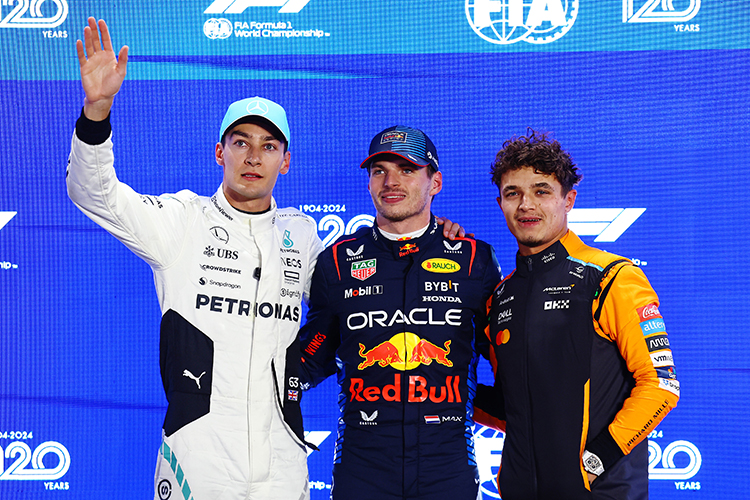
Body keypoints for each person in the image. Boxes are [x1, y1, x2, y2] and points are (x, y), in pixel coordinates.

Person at [67, 18, 324, 499]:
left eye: (268, 146)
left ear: (285, 161)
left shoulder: (301, 235)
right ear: (219, 152)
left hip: (284, 461)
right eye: (240, 142)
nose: (253, 156)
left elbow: (358, 286)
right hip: (197, 456)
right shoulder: (183, 221)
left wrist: (434, 237)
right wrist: (96, 112)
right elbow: (94, 194)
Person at [298, 126, 502, 500]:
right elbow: (311, 357)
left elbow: (509, 361)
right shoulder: (338, 262)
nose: (390, 181)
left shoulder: (475, 259)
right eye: (379, 170)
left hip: (448, 466)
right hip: (363, 466)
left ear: (434, 181)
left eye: (407, 170)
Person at [474, 130, 680, 499]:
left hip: (600, 491)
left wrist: (598, 459)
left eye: (541, 191)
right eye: (513, 193)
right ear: (500, 202)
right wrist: (446, 397)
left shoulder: (611, 276)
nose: (526, 205)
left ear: (568, 200)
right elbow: (513, 407)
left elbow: (661, 385)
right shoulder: (500, 297)